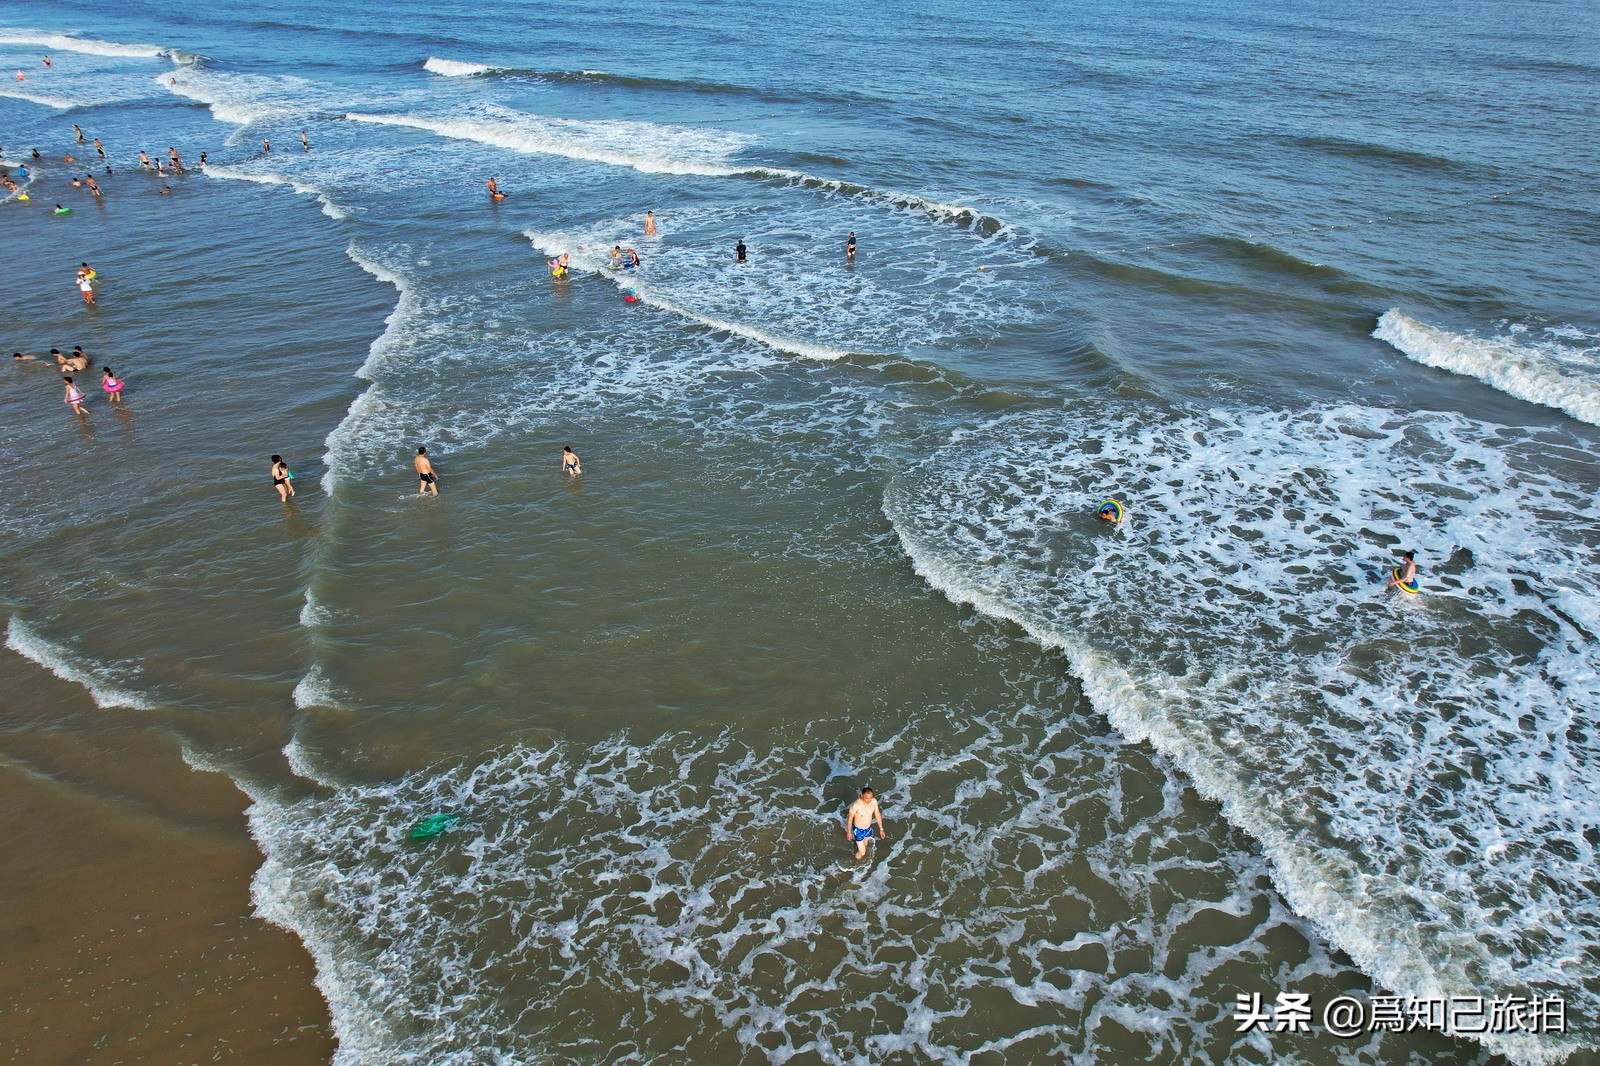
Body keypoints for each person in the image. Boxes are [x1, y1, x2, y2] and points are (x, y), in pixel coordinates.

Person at [845, 786, 886, 860]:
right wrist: (849, 832)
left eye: (870, 798)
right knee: (862, 852)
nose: (869, 800)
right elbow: (850, 818)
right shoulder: (856, 805)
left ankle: (858, 847)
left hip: (868, 828)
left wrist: (881, 829)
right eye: (867, 798)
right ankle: (856, 861)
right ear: (862, 795)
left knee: (865, 844)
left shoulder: (873, 802)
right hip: (858, 830)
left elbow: (877, 814)